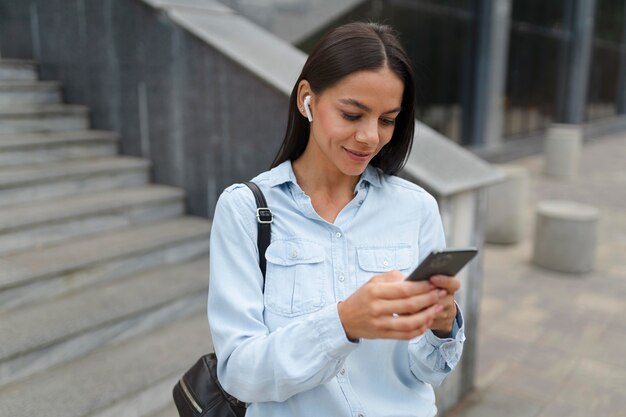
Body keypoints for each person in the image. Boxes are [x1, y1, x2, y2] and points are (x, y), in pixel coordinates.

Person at [208, 22, 465, 417]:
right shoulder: (245, 210)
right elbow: (239, 372)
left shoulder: (417, 209)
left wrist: (442, 326)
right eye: (352, 114)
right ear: (307, 99)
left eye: (387, 120)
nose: (370, 137)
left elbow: (427, 372)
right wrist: (343, 323)